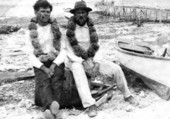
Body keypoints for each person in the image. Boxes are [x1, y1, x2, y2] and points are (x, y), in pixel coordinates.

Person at [65, 1, 139, 117]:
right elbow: (68, 52)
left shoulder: (92, 29)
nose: (81, 15)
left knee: (116, 69)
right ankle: (90, 105)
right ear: (74, 14)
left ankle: (127, 95)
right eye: (78, 13)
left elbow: (98, 47)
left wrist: (97, 63)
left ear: (87, 14)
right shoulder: (69, 31)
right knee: (78, 70)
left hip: (92, 59)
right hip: (76, 60)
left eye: (83, 12)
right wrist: (82, 62)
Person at [26, 0, 69, 119]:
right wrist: (43, 68)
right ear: (35, 12)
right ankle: (52, 109)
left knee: (56, 80)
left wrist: (54, 65)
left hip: (55, 59)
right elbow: (30, 54)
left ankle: (49, 111)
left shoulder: (56, 28)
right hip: (39, 61)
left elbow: (64, 50)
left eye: (47, 12)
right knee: (43, 82)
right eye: (42, 11)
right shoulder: (30, 31)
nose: (45, 14)